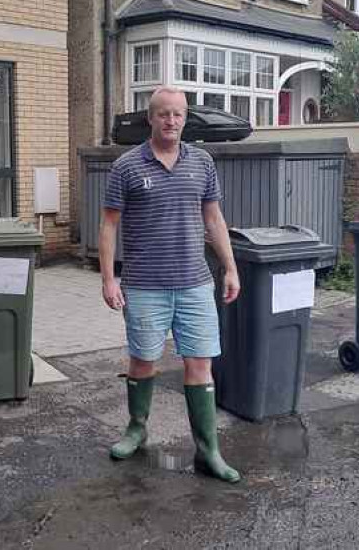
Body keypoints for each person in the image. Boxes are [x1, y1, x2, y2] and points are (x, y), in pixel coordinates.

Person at [99, 86, 241, 483]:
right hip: (145, 285)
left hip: (195, 283)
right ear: (151, 117)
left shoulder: (203, 162)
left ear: (185, 118)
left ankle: (208, 450)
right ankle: (136, 428)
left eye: (178, 114)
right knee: (143, 359)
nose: (172, 121)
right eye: (164, 113)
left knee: (200, 364)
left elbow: (214, 218)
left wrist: (230, 268)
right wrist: (109, 278)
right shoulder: (126, 166)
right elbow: (109, 224)